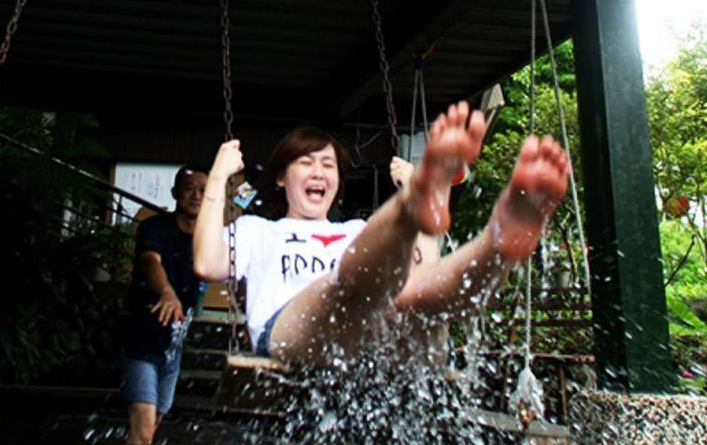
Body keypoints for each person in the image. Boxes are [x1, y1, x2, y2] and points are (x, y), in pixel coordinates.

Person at [193, 102, 568, 368]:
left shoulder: (356, 232)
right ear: (280, 177)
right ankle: (413, 203)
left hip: (375, 333)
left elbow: (426, 272)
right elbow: (207, 261)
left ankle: (497, 244)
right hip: (291, 331)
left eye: (328, 165)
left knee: (422, 298)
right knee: (346, 287)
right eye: (306, 163)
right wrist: (218, 175)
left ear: (338, 182)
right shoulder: (258, 230)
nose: (319, 172)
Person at [117, 165, 208, 445]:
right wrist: (167, 292)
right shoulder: (155, 227)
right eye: (189, 188)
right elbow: (149, 261)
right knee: (143, 425)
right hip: (141, 340)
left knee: (152, 424)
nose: (196, 195)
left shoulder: (205, 239)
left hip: (173, 348)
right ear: (174, 193)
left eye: (202, 189)